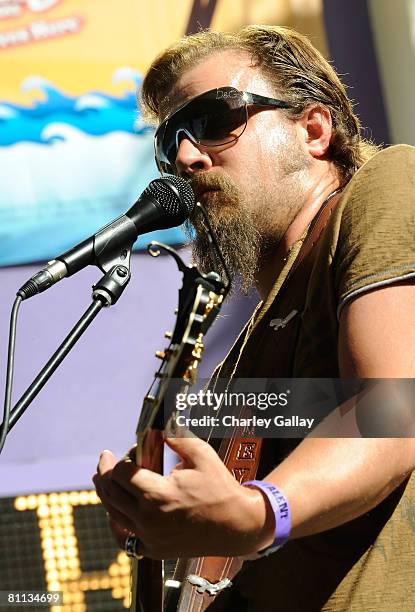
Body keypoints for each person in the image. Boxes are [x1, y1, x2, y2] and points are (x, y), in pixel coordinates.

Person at [93, 26, 415, 610]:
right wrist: (158, 510)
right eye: (172, 143)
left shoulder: (387, 185)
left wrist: (260, 510)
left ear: (313, 130)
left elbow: (397, 406)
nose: (188, 158)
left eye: (216, 121)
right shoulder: (238, 363)